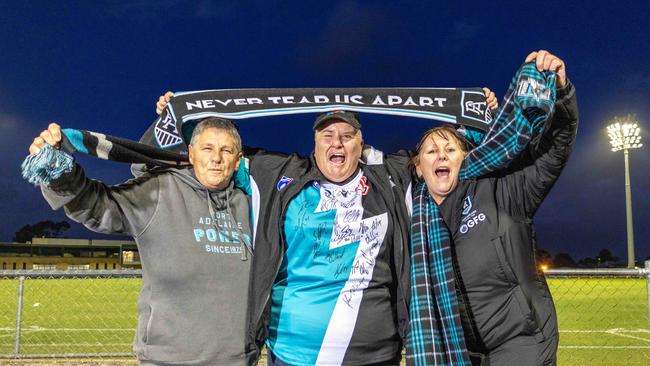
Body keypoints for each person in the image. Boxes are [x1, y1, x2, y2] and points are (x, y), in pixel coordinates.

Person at [155, 89, 498, 365]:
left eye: (347, 135)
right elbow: (200, 156)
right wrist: (175, 118)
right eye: (328, 135)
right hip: (292, 354)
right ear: (315, 143)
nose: (337, 142)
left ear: (360, 145)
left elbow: (458, 154)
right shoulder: (277, 173)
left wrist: (482, 116)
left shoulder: (391, 176)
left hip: (376, 355)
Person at [29, 118, 258, 365]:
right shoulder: (160, 189)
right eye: (207, 148)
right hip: (168, 360)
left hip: (239, 360)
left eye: (226, 150)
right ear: (191, 154)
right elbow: (96, 206)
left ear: (238, 160)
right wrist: (58, 169)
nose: (216, 158)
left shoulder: (252, 205)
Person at [410, 50, 577, 365]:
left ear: (467, 157)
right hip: (458, 350)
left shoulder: (502, 188)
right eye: (432, 150)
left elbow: (553, 149)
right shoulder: (412, 215)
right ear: (419, 168)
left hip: (521, 341)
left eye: (450, 148)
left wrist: (561, 93)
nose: (442, 155)